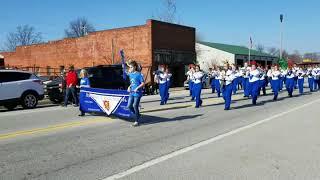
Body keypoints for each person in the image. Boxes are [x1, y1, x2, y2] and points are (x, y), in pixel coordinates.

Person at [127, 60, 145, 127]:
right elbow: (132, 83)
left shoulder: (139, 74)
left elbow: (143, 83)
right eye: (129, 67)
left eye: (131, 67)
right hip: (132, 92)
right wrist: (129, 87)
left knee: (135, 106)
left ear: (134, 67)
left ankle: (136, 121)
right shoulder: (130, 74)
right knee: (129, 106)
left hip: (137, 93)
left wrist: (137, 88)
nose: (130, 69)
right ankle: (138, 115)